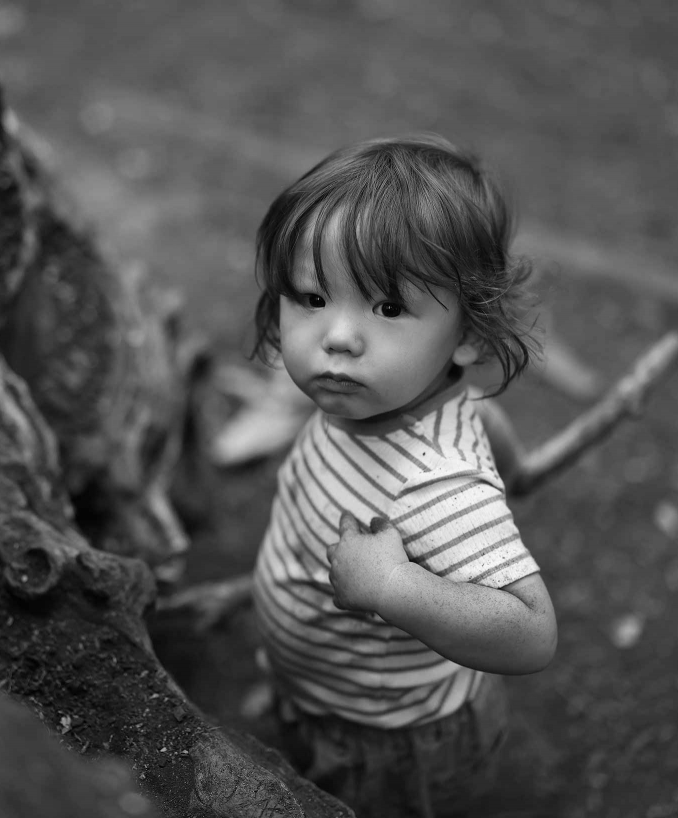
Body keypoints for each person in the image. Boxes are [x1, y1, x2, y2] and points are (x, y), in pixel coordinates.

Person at [249, 135, 557, 818]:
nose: (338, 337)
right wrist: (507, 460)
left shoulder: (434, 486)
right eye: (311, 295)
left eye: (388, 308)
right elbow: (480, 416)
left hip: (389, 741)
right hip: (330, 692)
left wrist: (394, 585)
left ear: (469, 336)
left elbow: (533, 633)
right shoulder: (375, 392)